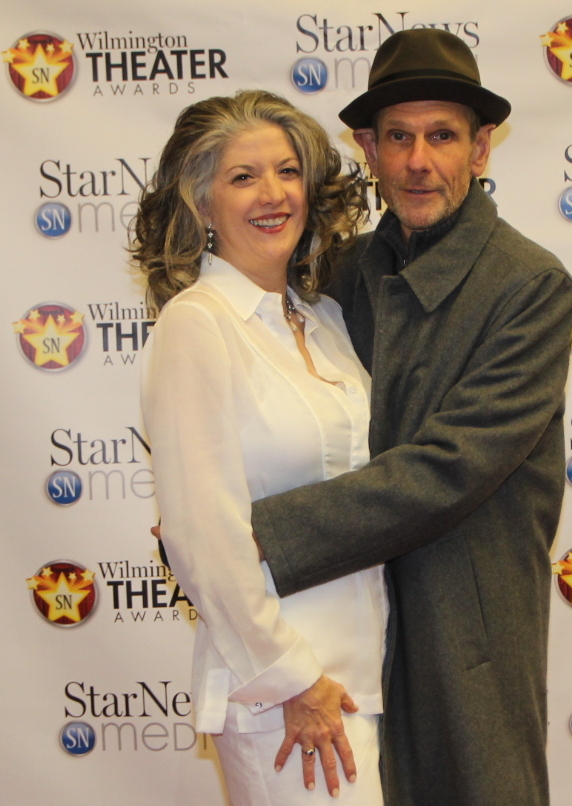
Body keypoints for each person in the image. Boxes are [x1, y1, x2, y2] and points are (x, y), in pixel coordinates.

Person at [249, 30, 572, 806]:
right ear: (367, 147)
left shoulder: (529, 285)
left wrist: (258, 531)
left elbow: (449, 467)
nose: (417, 162)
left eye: (441, 137)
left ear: (481, 148)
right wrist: (205, 520)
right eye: (397, 137)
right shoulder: (337, 273)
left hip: (469, 623)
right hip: (338, 618)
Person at [136, 90, 386, 805]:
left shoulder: (326, 322)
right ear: (200, 204)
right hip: (283, 699)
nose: (273, 194)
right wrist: (292, 680)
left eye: (286, 171)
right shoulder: (197, 326)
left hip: (364, 684)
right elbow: (199, 532)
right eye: (242, 177)